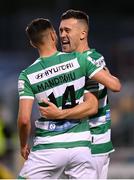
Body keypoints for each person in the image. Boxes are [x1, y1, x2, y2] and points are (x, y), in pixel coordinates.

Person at [17, 18, 121, 179]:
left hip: (48, 148)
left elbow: (24, 120)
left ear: (32, 43)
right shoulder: (80, 60)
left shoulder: (27, 75)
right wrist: (103, 72)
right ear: (53, 36)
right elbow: (115, 86)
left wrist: (23, 145)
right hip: (81, 146)